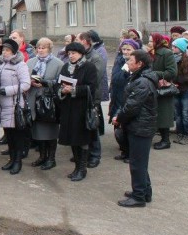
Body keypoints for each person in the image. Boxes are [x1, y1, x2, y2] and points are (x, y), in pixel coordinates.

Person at [112, 50, 158, 207]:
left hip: (140, 127)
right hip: (138, 125)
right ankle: (145, 192)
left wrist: (119, 119)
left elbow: (132, 106)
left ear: (140, 64)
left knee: (137, 163)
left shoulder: (142, 82)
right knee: (140, 162)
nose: (127, 62)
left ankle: (139, 197)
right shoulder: (138, 77)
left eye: (130, 60)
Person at [56, 42, 98, 182]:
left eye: (74, 53)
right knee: (72, 139)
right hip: (68, 108)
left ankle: (82, 168)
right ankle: (76, 167)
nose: (71, 56)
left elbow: (91, 87)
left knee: (82, 139)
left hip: (81, 108)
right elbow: (58, 84)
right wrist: (62, 90)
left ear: (81, 54)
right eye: (69, 53)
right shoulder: (65, 67)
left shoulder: (89, 67)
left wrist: (73, 90)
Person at [26, 38, 63, 170]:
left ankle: (51, 158)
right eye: (38, 48)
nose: (40, 50)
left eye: (43, 48)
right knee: (37, 130)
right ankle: (42, 156)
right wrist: (30, 82)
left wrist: (45, 83)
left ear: (49, 49)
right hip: (33, 99)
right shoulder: (30, 62)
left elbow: (60, 83)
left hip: (49, 102)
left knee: (50, 131)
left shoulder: (58, 64)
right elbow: (25, 78)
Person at [0, 38, 31, 174]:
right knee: (8, 134)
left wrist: (8, 90)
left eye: (7, 50)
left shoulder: (20, 65)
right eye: (3, 49)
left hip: (15, 104)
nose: (4, 52)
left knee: (17, 135)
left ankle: (17, 161)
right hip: (1, 104)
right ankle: (11, 159)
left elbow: (26, 84)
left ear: (14, 51)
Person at [75, 31, 106, 168]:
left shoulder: (95, 57)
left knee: (92, 126)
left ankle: (95, 155)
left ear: (85, 41)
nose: (74, 41)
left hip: (91, 97)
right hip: (79, 96)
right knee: (82, 126)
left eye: (77, 39)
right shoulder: (79, 56)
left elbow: (95, 79)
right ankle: (84, 153)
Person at [109, 39, 140, 162]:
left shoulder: (135, 63)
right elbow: (115, 77)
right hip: (117, 95)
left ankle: (130, 152)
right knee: (116, 123)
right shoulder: (119, 60)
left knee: (126, 126)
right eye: (124, 49)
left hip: (126, 96)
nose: (126, 51)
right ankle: (123, 150)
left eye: (129, 49)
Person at [148, 33, 177, 150]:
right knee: (154, 113)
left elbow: (172, 72)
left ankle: (166, 140)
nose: (149, 43)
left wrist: (154, 74)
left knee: (164, 114)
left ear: (157, 41)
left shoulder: (166, 53)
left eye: (151, 41)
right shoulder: (150, 53)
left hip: (163, 89)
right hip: (151, 87)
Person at [170, 38, 188, 145]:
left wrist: (185, 80)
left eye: (175, 47)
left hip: (186, 90)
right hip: (176, 89)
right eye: (172, 47)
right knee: (177, 114)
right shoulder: (172, 60)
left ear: (181, 49)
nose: (172, 49)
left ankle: (186, 135)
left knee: (185, 114)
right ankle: (180, 134)